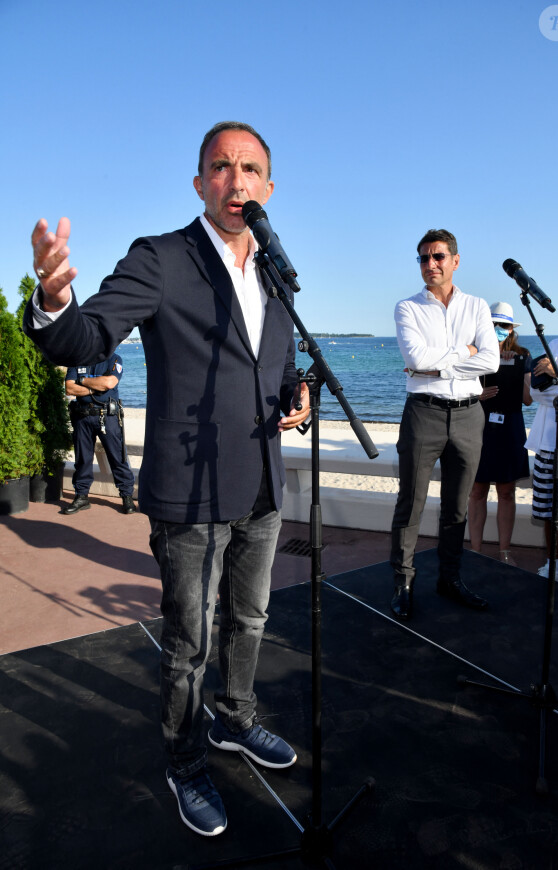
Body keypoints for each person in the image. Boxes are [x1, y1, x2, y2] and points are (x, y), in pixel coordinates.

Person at [24, 121, 310, 838]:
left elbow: (271, 362)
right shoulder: (161, 258)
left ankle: (234, 721)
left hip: (263, 483)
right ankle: (184, 762)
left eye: (249, 169)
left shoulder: (275, 267)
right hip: (191, 490)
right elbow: (88, 337)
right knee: (190, 640)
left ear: (268, 187)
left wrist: (295, 392)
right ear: (199, 183)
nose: (236, 180)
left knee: (250, 620)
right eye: (221, 167)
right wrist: (54, 303)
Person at [390, 229, 499, 621]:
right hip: (424, 413)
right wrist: (462, 352)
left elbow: (490, 361)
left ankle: (449, 579)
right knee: (411, 502)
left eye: (437, 257)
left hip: (469, 413)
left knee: (456, 506)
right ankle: (403, 581)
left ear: (455, 260)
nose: (430, 265)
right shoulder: (407, 308)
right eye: (423, 258)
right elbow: (416, 358)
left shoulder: (477, 306)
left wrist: (441, 362)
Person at [467, 302, 532, 566]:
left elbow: (528, 400)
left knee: (507, 492)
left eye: (503, 326)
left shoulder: (523, 355)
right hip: (479, 427)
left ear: (511, 329)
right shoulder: (475, 354)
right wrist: (476, 394)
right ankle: (475, 550)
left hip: (510, 429)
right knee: (476, 491)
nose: (499, 330)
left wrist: (528, 377)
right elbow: (458, 387)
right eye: (494, 325)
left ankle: (504, 551)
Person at [525, 302, 558, 585]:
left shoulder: (556, 355)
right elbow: (537, 394)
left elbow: (557, 389)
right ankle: (553, 565)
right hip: (548, 443)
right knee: (549, 512)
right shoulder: (557, 343)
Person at [63, 352, 136, 515]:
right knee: (82, 459)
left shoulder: (115, 359)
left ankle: (127, 496)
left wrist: (82, 381)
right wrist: (96, 388)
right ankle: (81, 497)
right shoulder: (76, 359)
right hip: (82, 417)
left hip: (107, 417)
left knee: (118, 458)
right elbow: (69, 388)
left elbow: (109, 383)